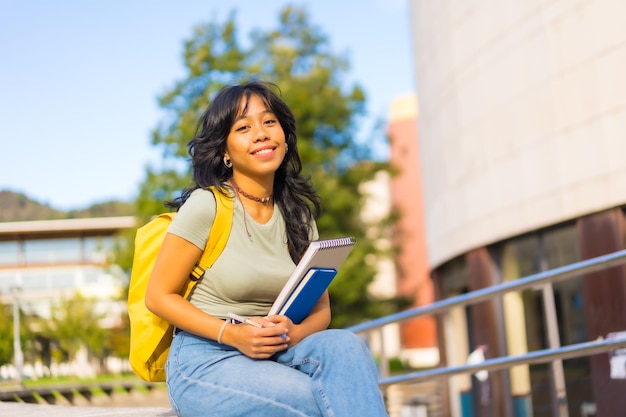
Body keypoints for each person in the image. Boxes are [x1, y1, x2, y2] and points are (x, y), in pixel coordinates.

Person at [145, 80, 389, 417]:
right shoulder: (208, 206)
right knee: (318, 399)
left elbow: (321, 310)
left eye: (269, 122)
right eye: (243, 127)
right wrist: (233, 334)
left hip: (278, 351)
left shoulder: (298, 217)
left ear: (285, 139)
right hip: (207, 357)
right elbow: (158, 297)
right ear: (225, 152)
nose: (261, 133)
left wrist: (295, 332)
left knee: (346, 345)